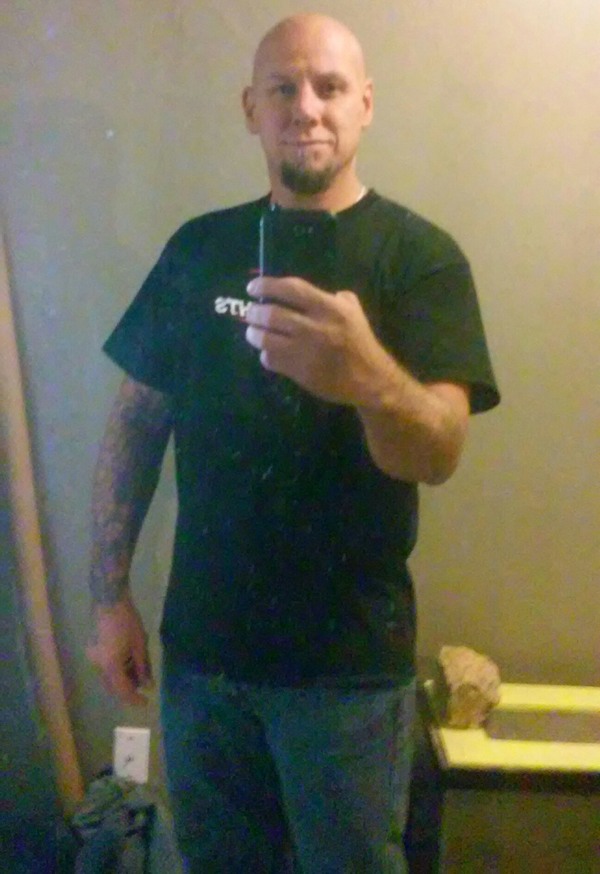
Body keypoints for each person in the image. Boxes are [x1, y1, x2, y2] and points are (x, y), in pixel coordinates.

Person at [87, 13, 500, 873]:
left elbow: (438, 454)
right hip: (203, 660)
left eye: (329, 87)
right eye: (283, 88)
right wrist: (108, 598)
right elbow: (135, 425)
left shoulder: (422, 259)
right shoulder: (200, 249)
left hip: (347, 676)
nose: (306, 107)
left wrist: (367, 376)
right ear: (251, 108)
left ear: (365, 104)